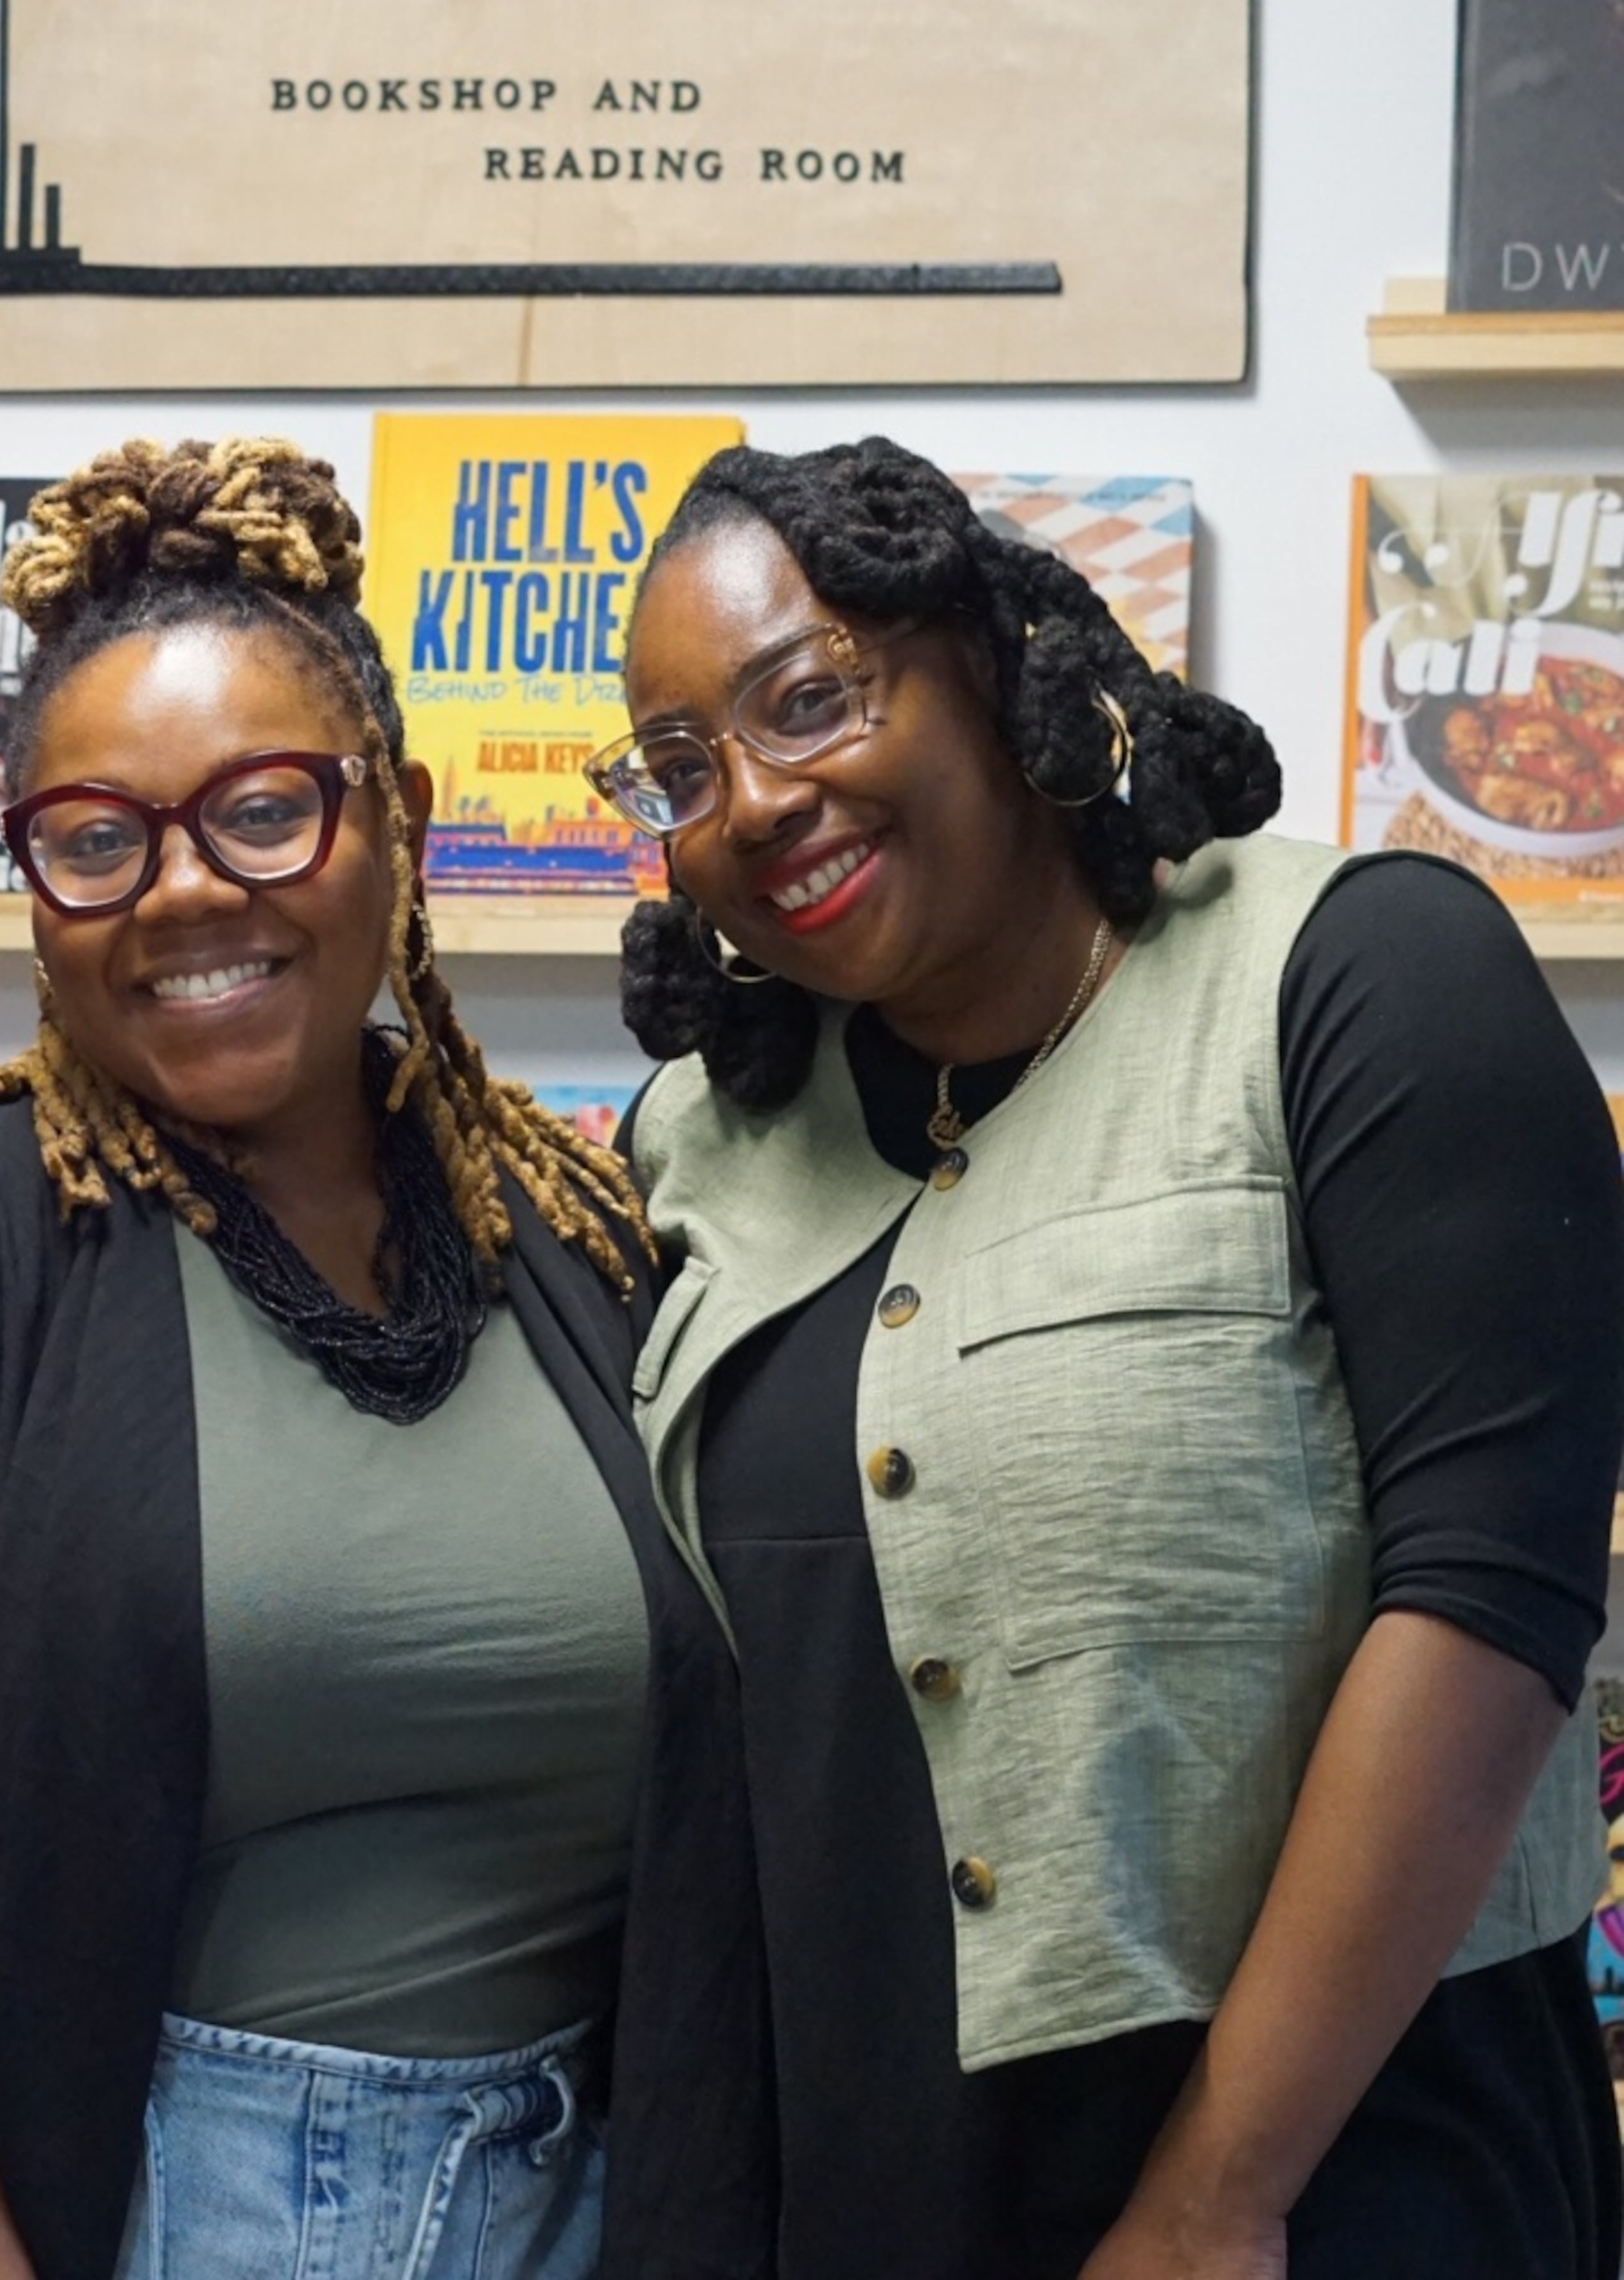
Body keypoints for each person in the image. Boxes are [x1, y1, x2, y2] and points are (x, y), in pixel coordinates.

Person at [0, 437, 768, 2280]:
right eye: (96, 838)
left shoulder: (561, 1225)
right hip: (164, 2212)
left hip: (579, 2200)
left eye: (262, 809)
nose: (185, 890)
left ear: (399, 819)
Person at [594, 435, 1623, 2280]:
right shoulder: (698, 1135)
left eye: (809, 698)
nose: (747, 799)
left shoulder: (1355, 977)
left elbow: (1488, 1603)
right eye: (680, 767)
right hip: (875, 2185)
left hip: (1333, 2188)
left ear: (995, 664)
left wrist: (1210, 2201)